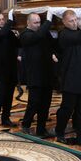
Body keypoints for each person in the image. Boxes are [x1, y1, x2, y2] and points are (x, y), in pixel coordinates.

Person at [54, 7, 81, 149]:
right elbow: (80, 37)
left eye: (75, 20)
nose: (74, 23)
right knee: (67, 108)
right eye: (71, 21)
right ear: (64, 22)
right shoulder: (64, 35)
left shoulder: (80, 33)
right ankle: (59, 132)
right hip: (71, 79)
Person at [19, 10, 55, 138]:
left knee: (46, 104)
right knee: (34, 102)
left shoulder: (43, 33)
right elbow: (36, 37)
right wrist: (48, 21)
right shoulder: (25, 34)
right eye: (35, 22)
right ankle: (26, 125)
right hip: (34, 75)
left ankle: (41, 128)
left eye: (40, 22)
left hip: (47, 74)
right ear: (28, 23)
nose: (38, 25)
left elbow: (53, 44)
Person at [0, 12, 19, 127]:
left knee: (10, 95)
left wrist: (18, 35)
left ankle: (6, 118)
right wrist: (10, 22)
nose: (2, 21)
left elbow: (18, 44)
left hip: (11, 68)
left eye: (3, 19)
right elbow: (0, 35)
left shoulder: (9, 32)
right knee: (1, 94)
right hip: (0, 70)